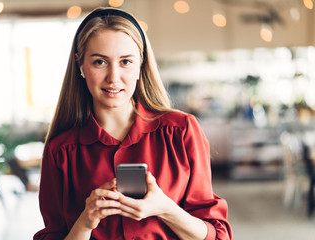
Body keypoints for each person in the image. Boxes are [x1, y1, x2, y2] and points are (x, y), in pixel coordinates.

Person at [34, 7, 232, 240]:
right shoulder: (61, 151)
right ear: (81, 66)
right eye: (99, 62)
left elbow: (217, 236)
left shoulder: (181, 131)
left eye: (126, 61)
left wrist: (165, 209)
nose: (113, 77)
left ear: (141, 65)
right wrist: (85, 223)